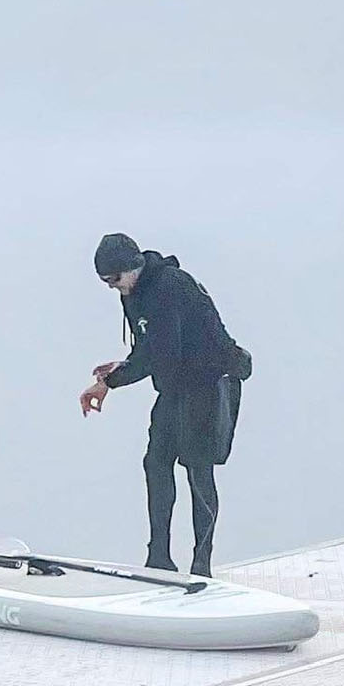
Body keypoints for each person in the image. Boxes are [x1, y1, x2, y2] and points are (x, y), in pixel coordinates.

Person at [80, 232, 251, 577]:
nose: (113, 287)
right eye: (105, 282)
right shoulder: (133, 292)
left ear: (133, 267)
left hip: (209, 382)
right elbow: (148, 347)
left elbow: (161, 352)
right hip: (174, 387)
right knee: (156, 464)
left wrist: (110, 383)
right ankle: (159, 557)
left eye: (114, 279)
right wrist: (120, 368)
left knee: (198, 469)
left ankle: (202, 564)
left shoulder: (169, 287)